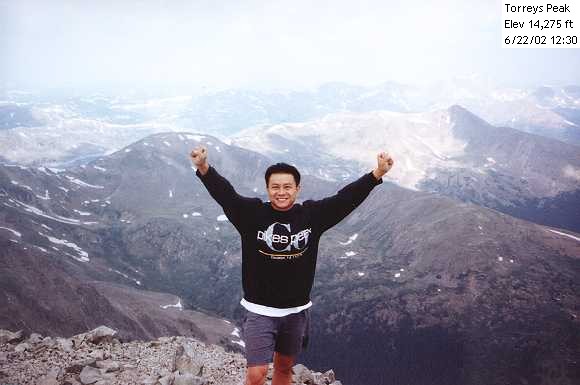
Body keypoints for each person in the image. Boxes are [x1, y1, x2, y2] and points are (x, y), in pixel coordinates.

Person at [190, 146, 394, 385]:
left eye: (287, 187)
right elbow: (226, 195)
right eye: (275, 187)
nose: (281, 192)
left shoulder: (312, 216)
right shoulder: (252, 214)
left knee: (284, 369)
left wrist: (377, 173)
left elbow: (345, 199)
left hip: (296, 312)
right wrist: (203, 167)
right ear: (268, 189)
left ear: (298, 189)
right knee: (255, 375)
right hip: (260, 312)